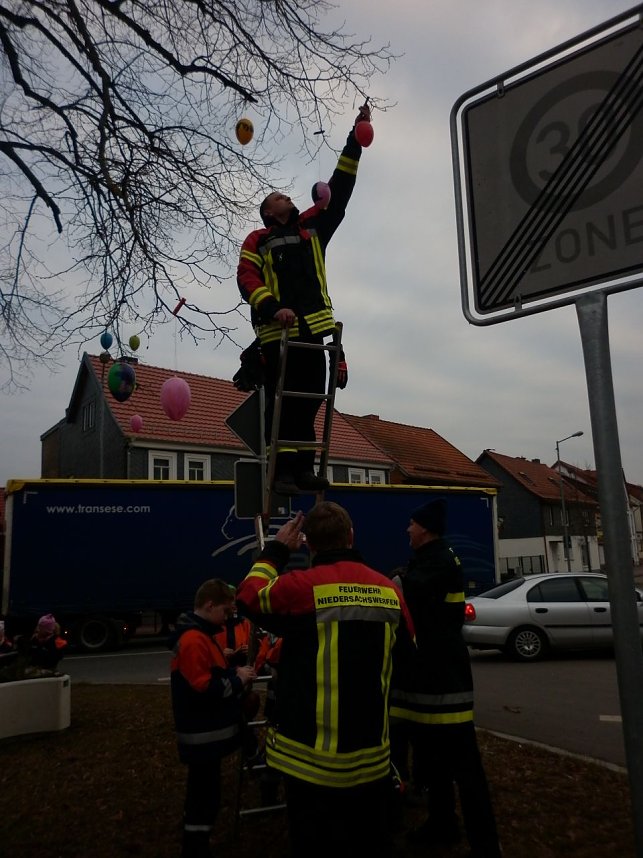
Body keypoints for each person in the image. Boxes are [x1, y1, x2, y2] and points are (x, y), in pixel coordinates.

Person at [236, 501, 416, 857]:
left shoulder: (301, 587)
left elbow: (248, 597)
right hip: (371, 758)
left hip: (307, 763)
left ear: (309, 544)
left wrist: (274, 551)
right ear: (351, 537)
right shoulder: (389, 591)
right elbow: (408, 655)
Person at [236, 105, 371, 495]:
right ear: (268, 211)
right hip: (278, 335)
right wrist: (270, 307)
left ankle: (303, 469)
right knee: (284, 406)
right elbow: (247, 279)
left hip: (314, 335)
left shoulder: (313, 225)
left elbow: (340, 186)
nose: (285, 196)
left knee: (310, 401)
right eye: (278, 196)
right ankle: (280, 472)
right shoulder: (257, 241)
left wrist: (356, 136)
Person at [390, 499, 502, 858]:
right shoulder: (432, 559)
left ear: (425, 528)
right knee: (434, 760)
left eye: (411, 524)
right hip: (428, 679)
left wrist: (395, 581)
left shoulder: (437, 561)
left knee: (464, 766)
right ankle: (442, 824)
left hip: (443, 682)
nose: (407, 529)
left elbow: (410, 594)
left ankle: (485, 844)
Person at [169, 579, 256, 858]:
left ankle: (196, 838)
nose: (228, 618)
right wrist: (239, 680)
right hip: (202, 734)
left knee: (204, 792)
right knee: (204, 795)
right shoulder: (194, 640)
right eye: (225, 611)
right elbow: (205, 689)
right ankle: (195, 847)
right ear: (209, 605)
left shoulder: (200, 635)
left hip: (204, 734)